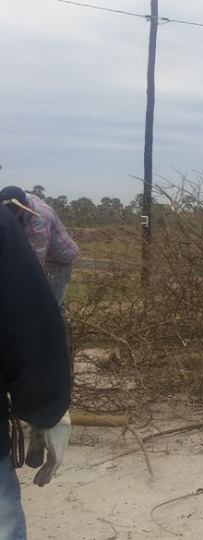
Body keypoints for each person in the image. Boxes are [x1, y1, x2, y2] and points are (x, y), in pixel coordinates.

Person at [0, 205, 73, 540]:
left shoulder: (36, 218)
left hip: (60, 261)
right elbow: (25, 319)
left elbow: (42, 258)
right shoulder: (5, 223)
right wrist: (47, 405)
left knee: (51, 299)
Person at [0, 185, 80, 307]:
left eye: (14, 214)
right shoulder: (19, 196)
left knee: (51, 306)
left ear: (24, 206)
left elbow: (35, 263)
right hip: (42, 252)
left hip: (58, 260)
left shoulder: (39, 222)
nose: (12, 217)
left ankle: (55, 325)